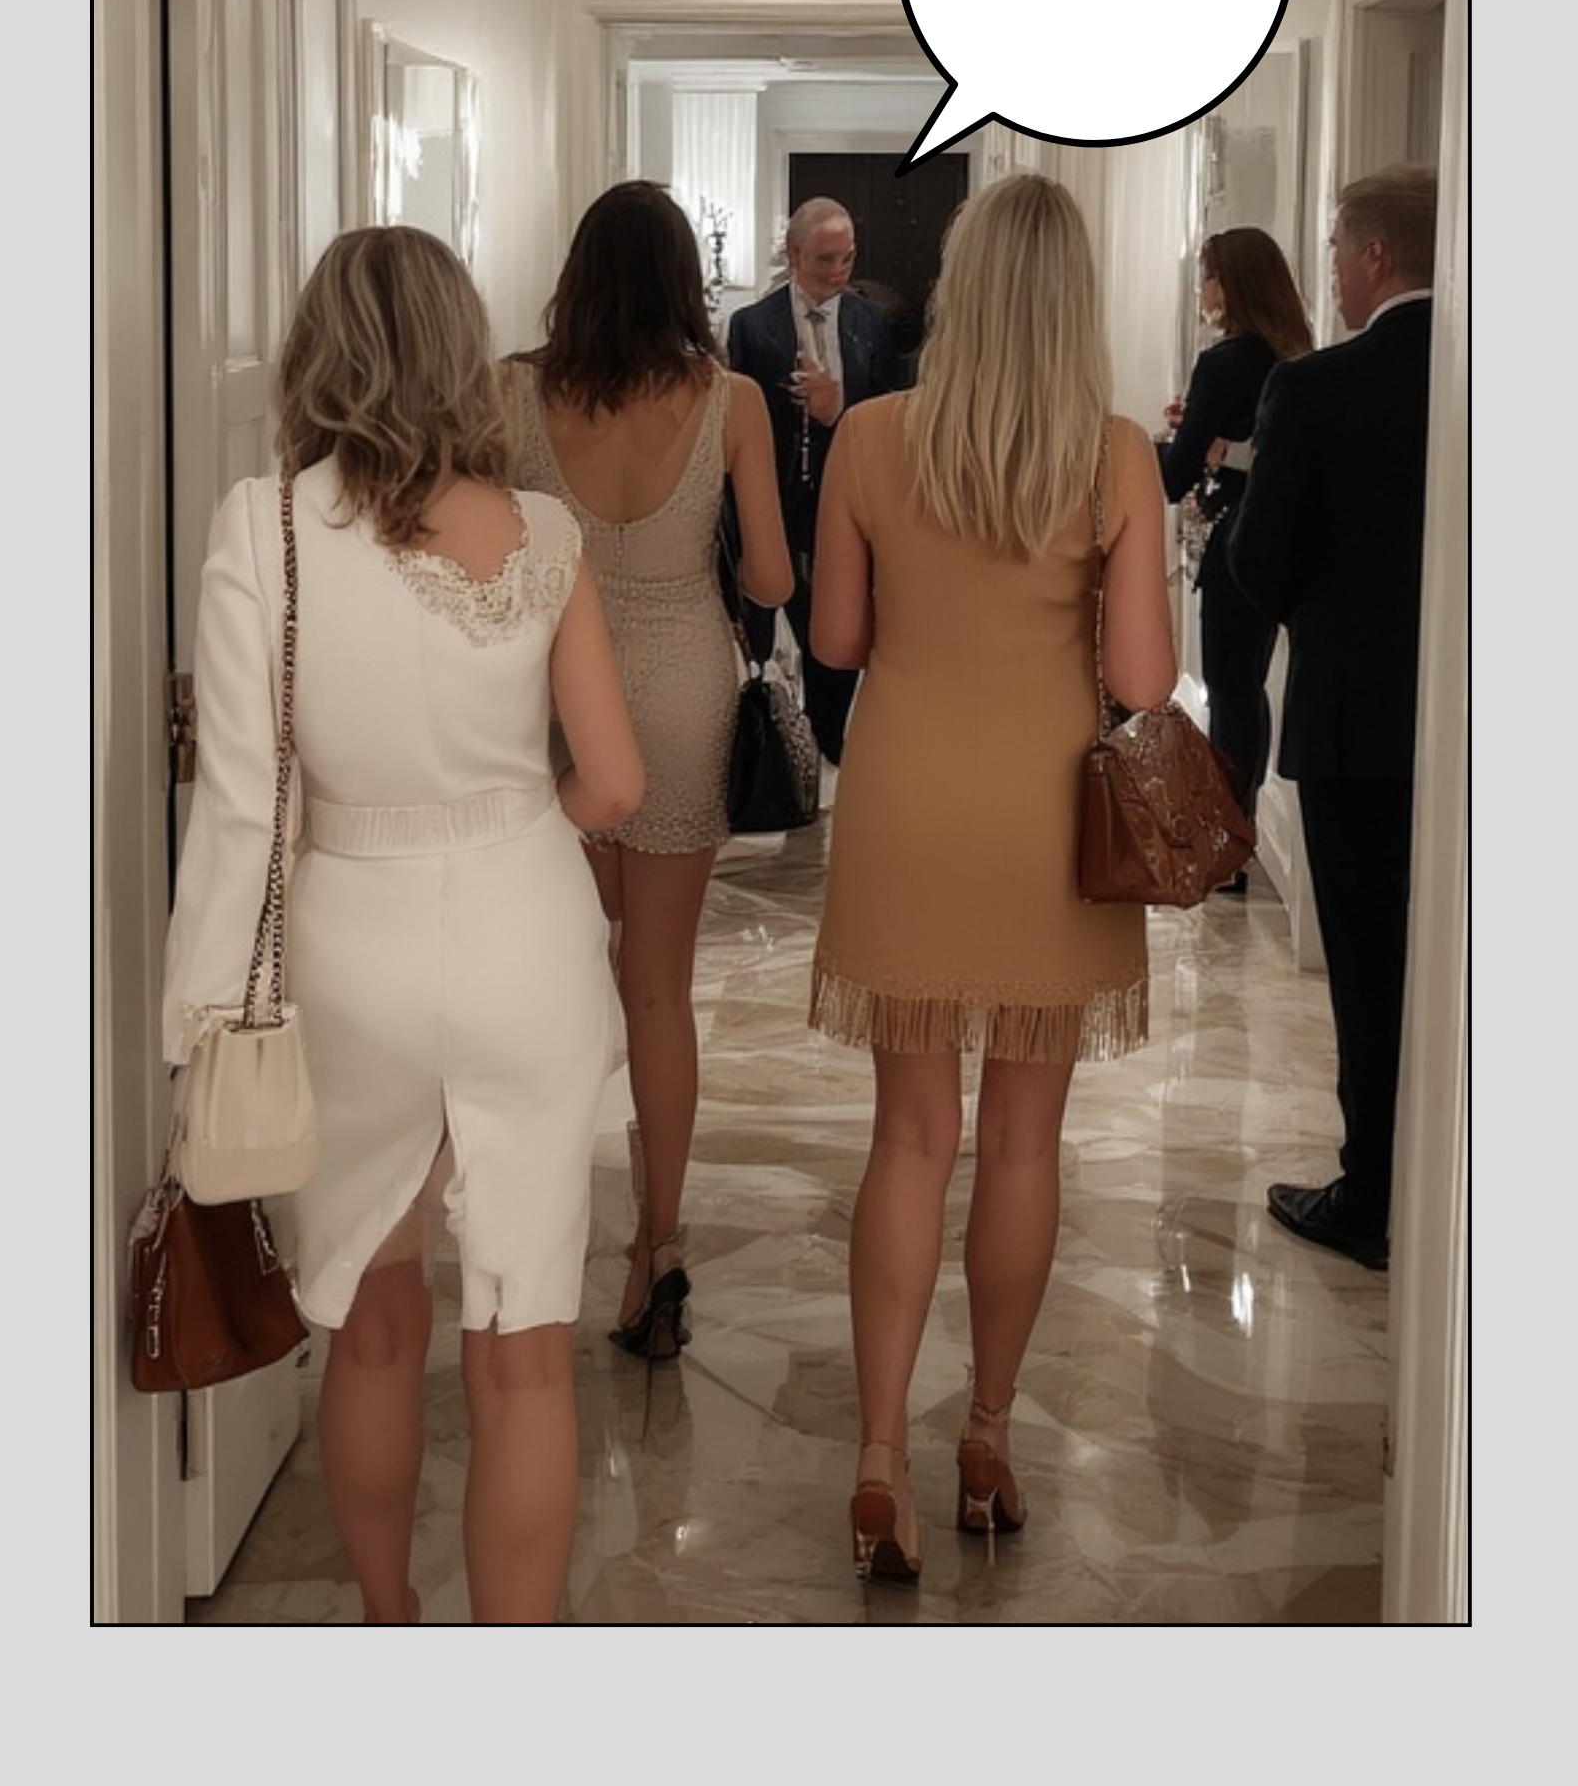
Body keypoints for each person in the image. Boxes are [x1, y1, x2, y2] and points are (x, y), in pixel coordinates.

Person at [161, 226, 645, 1625]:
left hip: (352, 947)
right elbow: (616, 785)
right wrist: (520, 818)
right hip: (528, 935)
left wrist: (203, 1024)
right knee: (524, 1348)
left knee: (374, 1326)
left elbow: (243, 810)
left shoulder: (264, 529)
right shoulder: (544, 533)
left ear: (318, 354)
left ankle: (389, 1624)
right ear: (458, 355)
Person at [807, 173, 1175, 1582]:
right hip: (1046, 821)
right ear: (1074, 306)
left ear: (959, 292)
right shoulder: (1113, 455)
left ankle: (876, 1460)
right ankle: (986, 1437)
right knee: (1022, 1142)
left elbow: (835, 643)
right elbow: (1143, 679)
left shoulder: (872, 436)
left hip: (905, 802)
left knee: (908, 1136)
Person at [500, 182, 792, 1358]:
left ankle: (531, 1236)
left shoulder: (512, 393)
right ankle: (657, 1247)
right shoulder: (732, 400)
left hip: (549, 695)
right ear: (683, 281)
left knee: (553, 980)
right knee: (658, 988)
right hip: (680, 691)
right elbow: (770, 579)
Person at [1229, 165, 1438, 1272]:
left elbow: (1261, 568)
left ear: (1373, 257)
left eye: (1336, 254)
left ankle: (1373, 1195)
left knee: (1370, 966)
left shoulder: (1314, 389)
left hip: (1359, 729)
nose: (1333, 275)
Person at [1156, 227, 1313, 885]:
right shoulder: (1294, 356)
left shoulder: (1221, 363)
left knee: (1228, 690)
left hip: (1232, 541)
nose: (1201, 288)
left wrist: (1159, 443)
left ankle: (1224, 847)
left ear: (1230, 284)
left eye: (1208, 275)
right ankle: (1237, 836)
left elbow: (1174, 476)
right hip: (1279, 541)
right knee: (1247, 688)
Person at [725, 198, 900, 766]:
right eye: (825, 259)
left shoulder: (871, 324)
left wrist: (837, 409)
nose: (838, 271)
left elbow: (895, 419)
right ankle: (767, 754)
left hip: (846, 507)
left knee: (834, 632)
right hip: (770, 504)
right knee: (759, 634)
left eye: (848, 258)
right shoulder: (753, 326)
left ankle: (828, 748)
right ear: (794, 254)